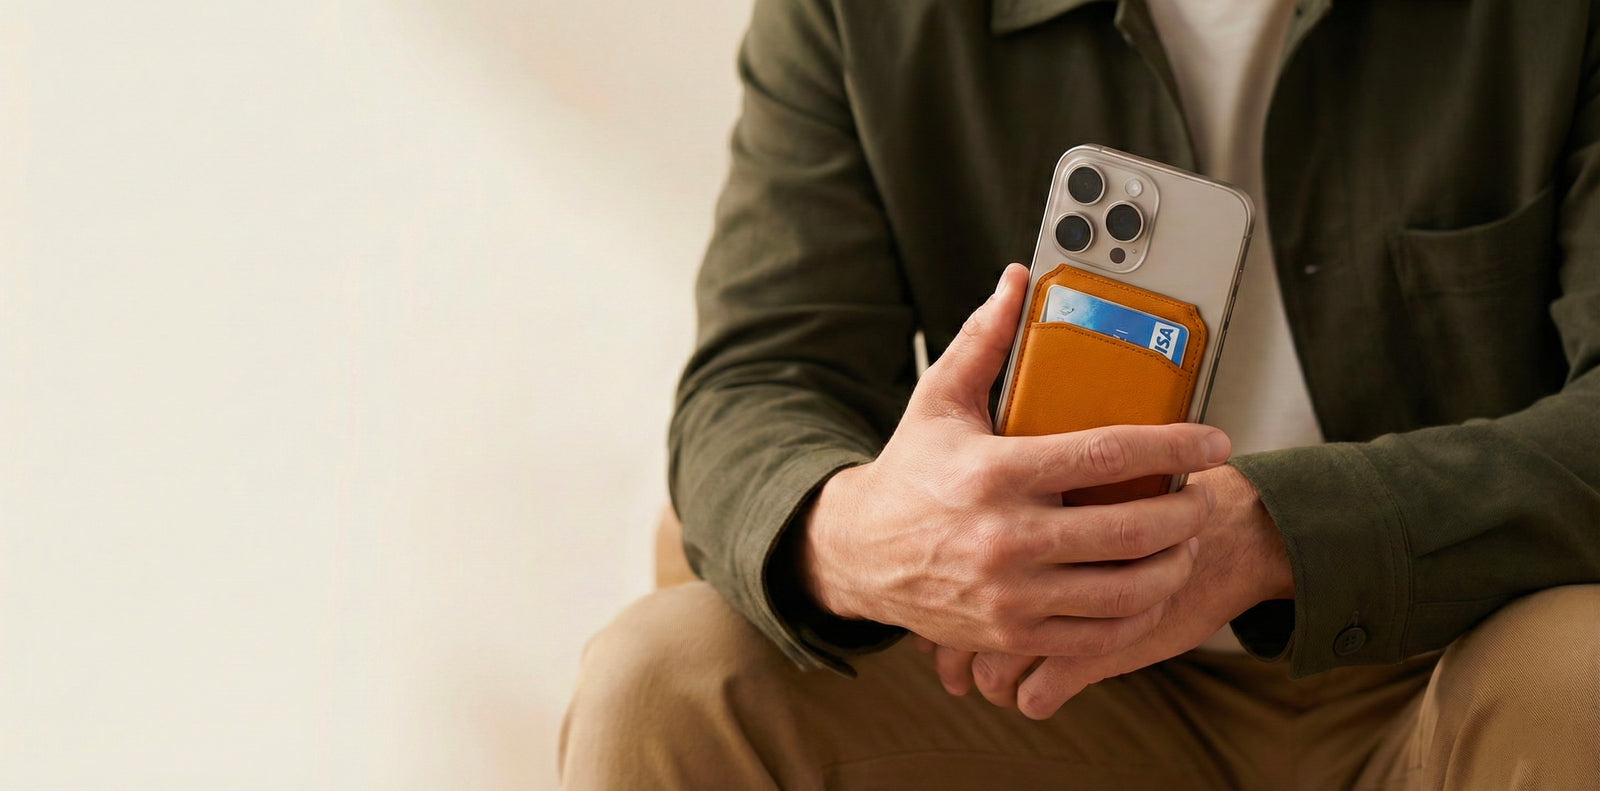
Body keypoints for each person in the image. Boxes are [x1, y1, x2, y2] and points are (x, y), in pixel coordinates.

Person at [561, 0, 1600, 788]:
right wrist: (857, 533)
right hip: (1035, 685)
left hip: (1450, 654)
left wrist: (1267, 536)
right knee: (665, 680)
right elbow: (759, 375)